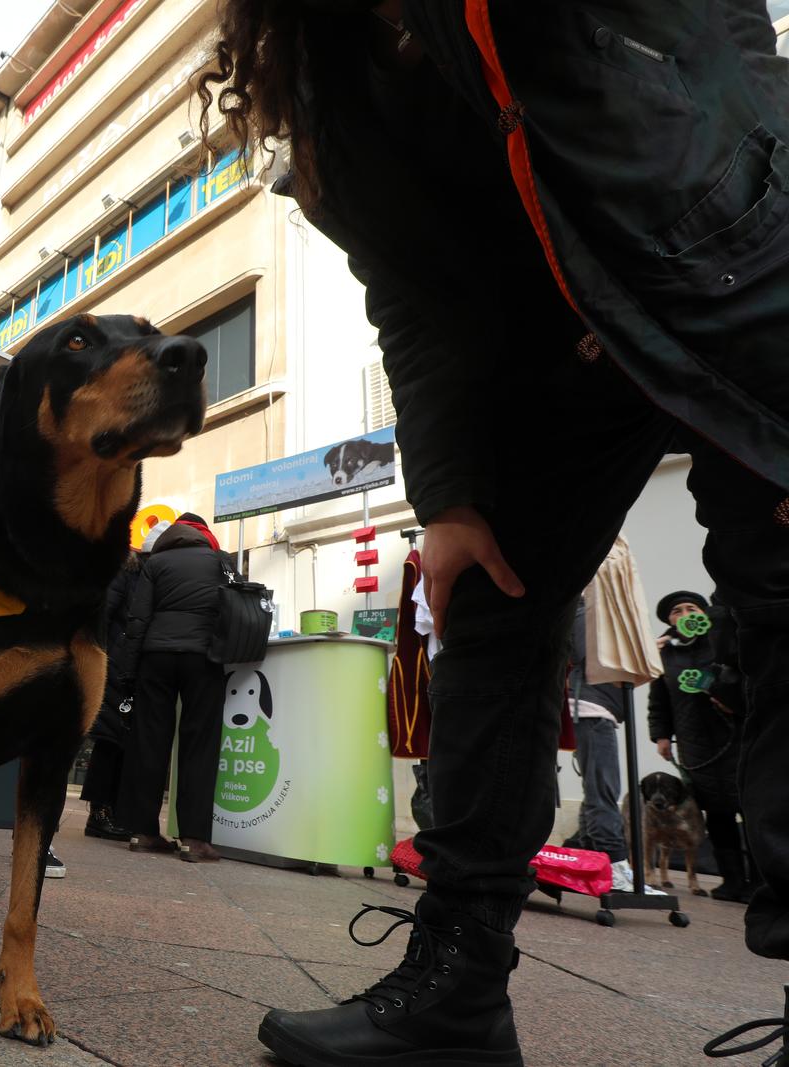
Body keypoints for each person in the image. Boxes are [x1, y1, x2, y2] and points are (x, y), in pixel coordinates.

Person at [197, 4, 789, 1063]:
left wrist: (746, 144)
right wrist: (450, 498)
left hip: (733, 261)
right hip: (558, 350)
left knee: (785, 581)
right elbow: (408, 298)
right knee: (490, 602)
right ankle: (455, 983)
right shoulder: (334, 78)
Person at [114, 513, 227, 863]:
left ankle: (143, 832)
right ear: (204, 536)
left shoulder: (156, 562)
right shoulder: (220, 561)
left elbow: (138, 618)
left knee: (149, 741)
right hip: (204, 657)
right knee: (199, 744)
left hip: (156, 658)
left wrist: (128, 670)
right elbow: (235, 607)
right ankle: (194, 841)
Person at [649, 590, 753, 904]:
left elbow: (742, 678)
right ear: (669, 620)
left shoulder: (721, 641)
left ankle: (763, 879)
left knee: (750, 808)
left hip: (734, 737)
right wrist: (661, 736)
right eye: (676, 611)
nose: (684, 614)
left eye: (691, 608)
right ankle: (732, 881)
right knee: (717, 812)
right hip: (695, 745)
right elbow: (659, 701)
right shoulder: (665, 652)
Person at [562, 595, 640, 892]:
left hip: (597, 709)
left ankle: (589, 858)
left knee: (598, 788)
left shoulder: (592, 609)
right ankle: (614, 864)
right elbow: (584, 651)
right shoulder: (586, 607)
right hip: (591, 709)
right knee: (604, 789)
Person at [81, 548, 145, 841]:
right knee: (109, 740)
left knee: (118, 741)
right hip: (115, 665)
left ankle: (110, 812)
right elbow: (105, 616)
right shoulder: (127, 573)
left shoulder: (138, 574)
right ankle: (99, 813)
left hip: (123, 665)